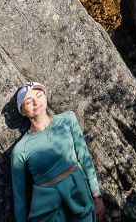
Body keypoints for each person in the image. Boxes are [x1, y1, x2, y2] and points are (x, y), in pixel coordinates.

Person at [10, 82, 103, 222]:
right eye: (28, 102)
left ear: (45, 96)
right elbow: (20, 196)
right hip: (47, 208)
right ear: (22, 111)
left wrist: (96, 196)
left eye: (39, 95)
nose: (36, 102)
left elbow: (84, 157)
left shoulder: (68, 119)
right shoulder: (20, 149)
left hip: (78, 193)